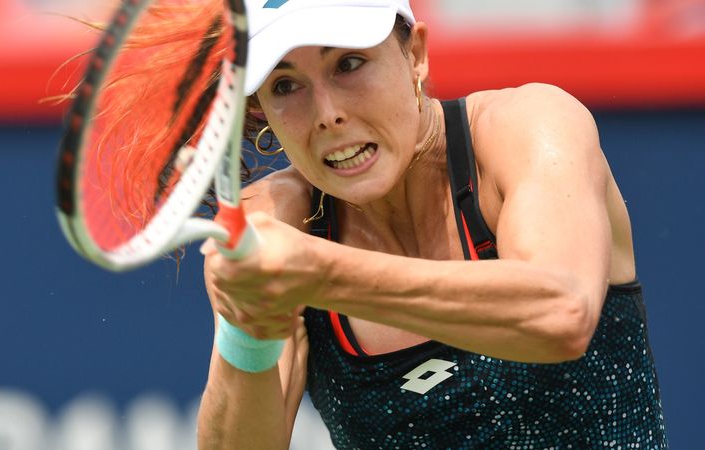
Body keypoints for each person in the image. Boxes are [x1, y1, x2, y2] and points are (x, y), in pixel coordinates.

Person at [197, 0, 668, 448]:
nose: (328, 115)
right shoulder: (278, 223)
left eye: (349, 64)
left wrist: (321, 274)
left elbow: (561, 313)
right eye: (285, 86)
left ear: (415, 55)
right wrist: (246, 327)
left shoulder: (529, 125)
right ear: (261, 111)